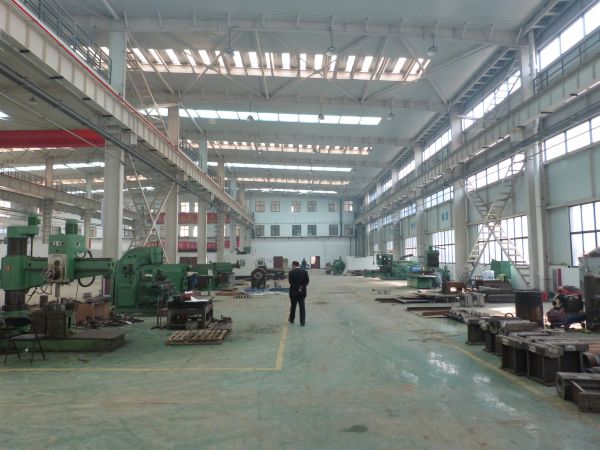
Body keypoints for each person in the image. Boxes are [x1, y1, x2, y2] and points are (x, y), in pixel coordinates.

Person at [288, 260, 309, 326]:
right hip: (302, 293)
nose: (292, 267)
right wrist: (301, 287)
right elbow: (307, 281)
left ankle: (291, 320)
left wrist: (297, 287)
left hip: (293, 293)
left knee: (293, 307)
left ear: (294, 265)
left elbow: (291, 282)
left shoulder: (291, 272)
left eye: (292, 266)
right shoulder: (305, 272)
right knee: (302, 307)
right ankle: (302, 322)